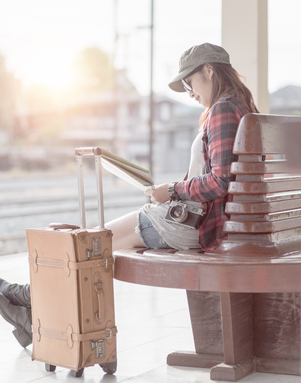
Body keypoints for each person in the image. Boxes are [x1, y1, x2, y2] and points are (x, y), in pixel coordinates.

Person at [0, 42, 259, 348]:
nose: (190, 92)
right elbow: (225, 179)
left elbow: (220, 181)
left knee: (90, 243)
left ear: (209, 70)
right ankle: (33, 314)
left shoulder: (222, 110)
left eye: (189, 82)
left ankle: (28, 298)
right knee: (95, 248)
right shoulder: (242, 108)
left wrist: (173, 190)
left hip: (195, 225)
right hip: (213, 222)